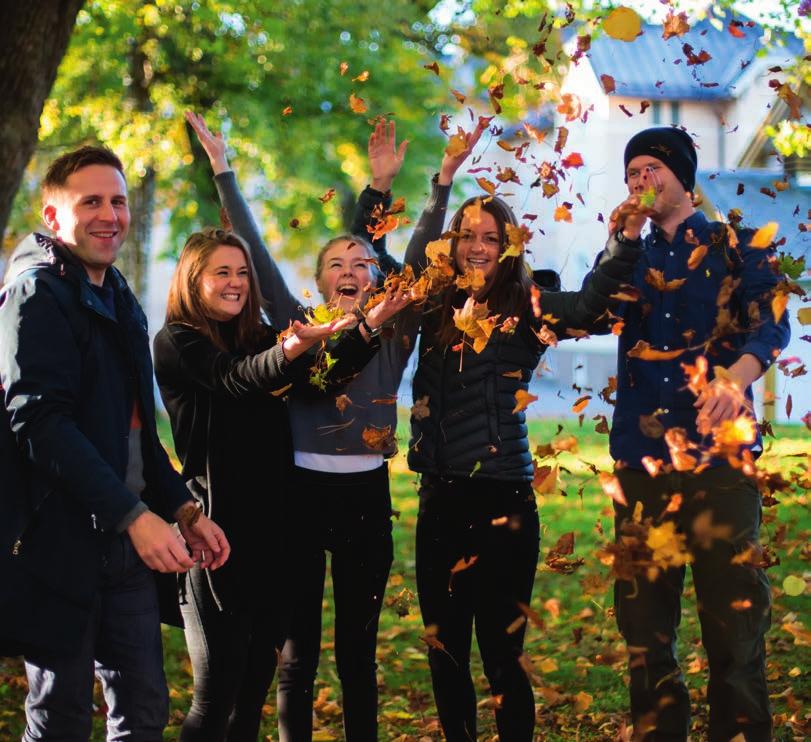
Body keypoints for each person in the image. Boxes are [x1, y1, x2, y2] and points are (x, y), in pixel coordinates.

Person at [186, 111, 428, 741]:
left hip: (366, 500)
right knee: (297, 656)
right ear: (320, 281)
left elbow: (413, 251)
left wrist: (425, 185)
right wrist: (223, 170)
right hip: (298, 499)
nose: (349, 271)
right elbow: (258, 257)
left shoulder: (394, 328)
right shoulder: (299, 328)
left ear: (377, 277)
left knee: (357, 653)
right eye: (335, 265)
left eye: (361, 264)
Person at [404, 126, 646, 741]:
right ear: (452, 245)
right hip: (440, 497)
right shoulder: (430, 300)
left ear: (507, 247)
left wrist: (621, 242)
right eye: (467, 237)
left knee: (502, 654)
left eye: (491, 238)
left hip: (505, 498)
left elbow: (592, 306)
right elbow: (408, 265)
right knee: (446, 648)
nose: (478, 247)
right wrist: (441, 185)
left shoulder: (528, 300)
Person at [0, 145, 230, 741]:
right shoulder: (35, 294)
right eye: (91, 202)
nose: (110, 215)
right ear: (53, 217)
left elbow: (135, 434)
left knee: (144, 711)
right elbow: (41, 425)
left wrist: (182, 509)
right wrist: (135, 517)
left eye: (119, 201)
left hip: (127, 551)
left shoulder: (117, 293)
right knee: (61, 720)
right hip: (59, 545)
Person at [153, 226, 407, 741]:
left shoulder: (259, 334)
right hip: (214, 534)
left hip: (275, 537)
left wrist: (365, 328)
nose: (236, 282)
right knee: (215, 698)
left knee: (251, 695)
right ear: (192, 279)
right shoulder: (177, 341)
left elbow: (323, 377)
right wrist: (291, 347)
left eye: (242, 272)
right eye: (222, 272)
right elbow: (236, 377)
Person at [607, 126, 790, 741]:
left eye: (652, 168)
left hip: (720, 463)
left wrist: (737, 378)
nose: (640, 181)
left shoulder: (733, 245)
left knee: (734, 621)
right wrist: (620, 246)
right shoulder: (627, 256)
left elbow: (771, 321)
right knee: (645, 629)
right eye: (631, 172)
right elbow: (589, 309)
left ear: (683, 176)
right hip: (641, 465)